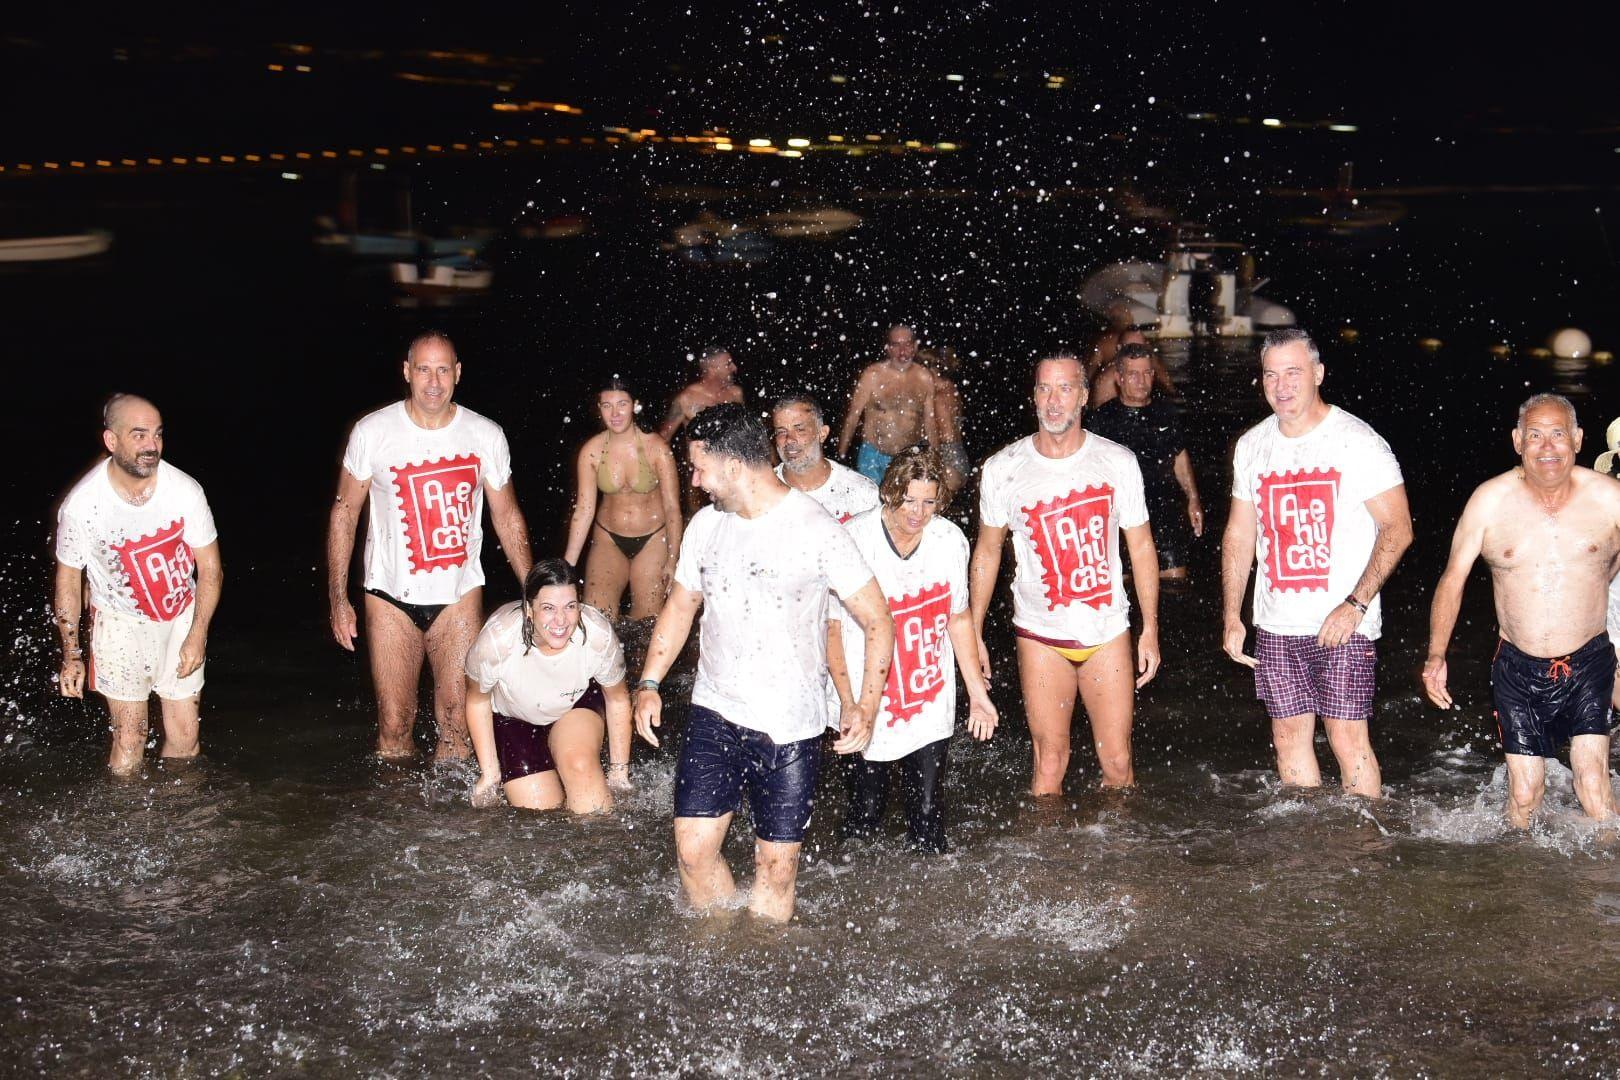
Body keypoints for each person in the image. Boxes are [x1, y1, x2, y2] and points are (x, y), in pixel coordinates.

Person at [634, 403, 895, 922]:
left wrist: (865, 707)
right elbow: (681, 607)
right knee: (693, 854)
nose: (695, 481)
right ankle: (719, 950)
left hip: (789, 724)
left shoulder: (814, 527)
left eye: (700, 468)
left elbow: (877, 619)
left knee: (775, 870)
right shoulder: (706, 526)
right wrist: (649, 682)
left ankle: (762, 961)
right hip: (715, 711)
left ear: (733, 466)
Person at [1221, 328, 1412, 799]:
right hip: (1276, 622)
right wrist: (1232, 615)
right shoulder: (1253, 446)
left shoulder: (1357, 442)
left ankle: (1363, 838)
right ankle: (1306, 839)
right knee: (1287, 738)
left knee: (1347, 739)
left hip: (1344, 621)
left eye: (1293, 372)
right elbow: (1240, 534)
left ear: (1319, 374)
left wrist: (1355, 604)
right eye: (1271, 375)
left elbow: (1398, 529)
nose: (1281, 386)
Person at [327, 331, 534, 761]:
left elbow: (507, 516)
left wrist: (533, 590)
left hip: (458, 597)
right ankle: (397, 805)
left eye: (443, 370)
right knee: (395, 724)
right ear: (407, 372)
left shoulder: (485, 435)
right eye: (424, 369)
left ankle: (453, 807)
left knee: (459, 725)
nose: (434, 382)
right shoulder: (373, 432)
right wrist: (337, 598)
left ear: (458, 373)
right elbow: (345, 512)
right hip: (389, 597)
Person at [1424, 394, 1620, 827]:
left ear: (1578, 439)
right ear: (1517, 441)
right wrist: (1436, 654)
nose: (1547, 447)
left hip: (1589, 662)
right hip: (1517, 667)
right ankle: (1516, 867)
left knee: (1593, 787)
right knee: (1525, 794)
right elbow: (1453, 578)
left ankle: (1608, 864)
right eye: (1535, 435)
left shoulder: (1609, 499)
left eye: (1558, 434)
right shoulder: (1490, 501)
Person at [970, 352, 1161, 795]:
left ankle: (1121, 841)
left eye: (1065, 388)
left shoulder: (1117, 461)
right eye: (1044, 389)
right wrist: (974, 631)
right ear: (1034, 396)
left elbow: (1141, 546)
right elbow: (988, 551)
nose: (1054, 401)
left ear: (1084, 396)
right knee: (1050, 761)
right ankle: (1045, 841)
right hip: (1040, 632)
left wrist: (1150, 628)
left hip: (1106, 629)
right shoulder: (1003, 468)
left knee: (1117, 761)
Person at [827, 449, 997, 853]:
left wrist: (977, 694)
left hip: (927, 694)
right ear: (890, 492)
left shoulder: (949, 541)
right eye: (909, 500)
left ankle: (933, 889)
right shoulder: (853, 539)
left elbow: (958, 619)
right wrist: (848, 703)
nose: (918, 513)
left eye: (928, 502)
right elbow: (830, 629)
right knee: (865, 815)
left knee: (928, 819)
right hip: (866, 698)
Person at [53, 394, 223, 774]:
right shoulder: (82, 506)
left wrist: (197, 634)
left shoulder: (185, 491)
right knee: (130, 739)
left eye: (158, 434)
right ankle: (121, 809)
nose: (152, 445)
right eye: (139, 435)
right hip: (119, 623)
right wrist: (72, 653)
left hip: (181, 616)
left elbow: (211, 570)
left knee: (185, 737)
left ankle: (180, 809)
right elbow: (69, 580)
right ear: (111, 440)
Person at [466, 559, 632, 812]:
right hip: (514, 719)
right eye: (548, 608)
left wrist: (619, 773)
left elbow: (618, 698)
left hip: (575, 708)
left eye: (570, 607)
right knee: (539, 814)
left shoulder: (598, 635)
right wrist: (489, 775)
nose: (561, 620)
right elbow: (477, 700)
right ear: (529, 610)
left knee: (581, 771)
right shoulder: (496, 642)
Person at [564, 378, 683, 621]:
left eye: (622, 404)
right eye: (607, 406)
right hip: (608, 538)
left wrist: (673, 560)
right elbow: (584, 511)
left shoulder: (657, 448)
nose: (615, 413)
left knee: (646, 622)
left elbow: (672, 508)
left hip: (653, 539)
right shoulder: (592, 451)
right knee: (597, 619)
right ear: (599, 408)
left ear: (635, 406)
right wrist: (566, 567)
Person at [1085, 343, 1204, 580]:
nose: (1141, 381)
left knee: (1175, 582)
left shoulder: (1167, 413)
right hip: (1120, 516)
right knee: (1122, 585)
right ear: (1119, 378)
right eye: (1133, 374)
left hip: (1164, 511)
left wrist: (1193, 499)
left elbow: (1180, 458)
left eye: (1147, 373)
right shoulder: (1102, 419)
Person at [837, 324, 938, 484]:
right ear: (888, 348)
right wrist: (840, 457)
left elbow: (930, 423)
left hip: (909, 459)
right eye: (896, 345)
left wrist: (936, 461)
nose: (902, 351)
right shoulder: (872, 375)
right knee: (871, 499)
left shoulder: (924, 378)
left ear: (915, 346)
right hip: (872, 456)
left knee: (905, 500)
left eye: (907, 344)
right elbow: (852, 418)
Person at [660, 346, 745, 513]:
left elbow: (748, 432)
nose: (734, 368)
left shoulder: (736, 394)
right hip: (700, 478)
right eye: (728, 364)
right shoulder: (686, 399)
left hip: (734, 472)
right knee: (703, 521)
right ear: (712, 369)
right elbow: (662, 439)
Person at [771, 392, 879, 522]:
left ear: (822, 434)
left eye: (800, 429)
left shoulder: (861, 492)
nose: (789, 439)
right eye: (781, 431)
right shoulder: (761, 491)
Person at [917, 346, 970, 496]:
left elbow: (937, 434)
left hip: (946, 457)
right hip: (957, 455)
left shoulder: (938, 397)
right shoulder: (950, 387)